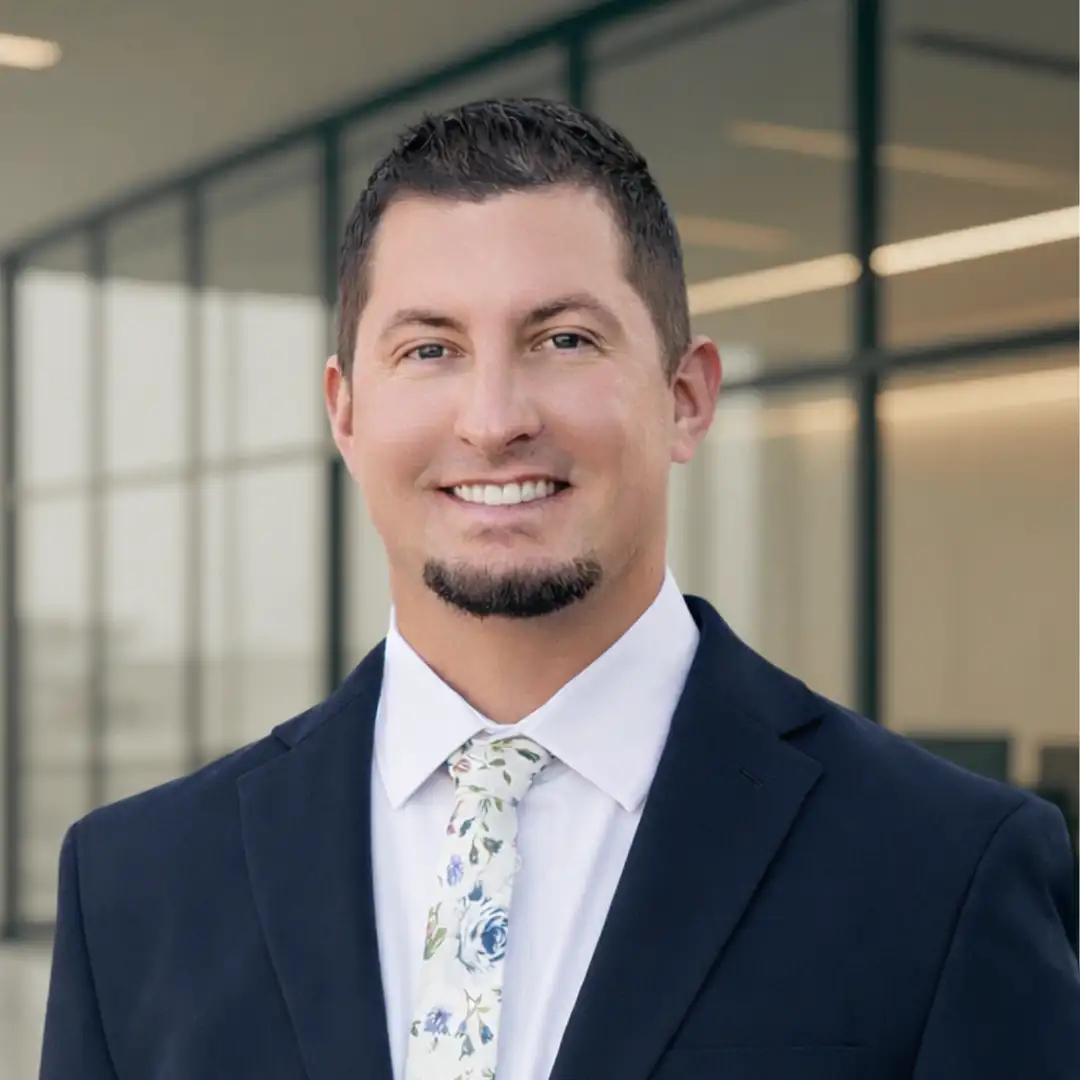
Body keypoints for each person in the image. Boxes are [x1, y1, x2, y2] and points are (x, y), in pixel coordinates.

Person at [40, 98, 1078, 1080]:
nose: (493, 419)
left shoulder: (944, 870)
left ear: (685, 397)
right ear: (345, 413)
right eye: (430, 348)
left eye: (564, 340)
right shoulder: (138, 886)